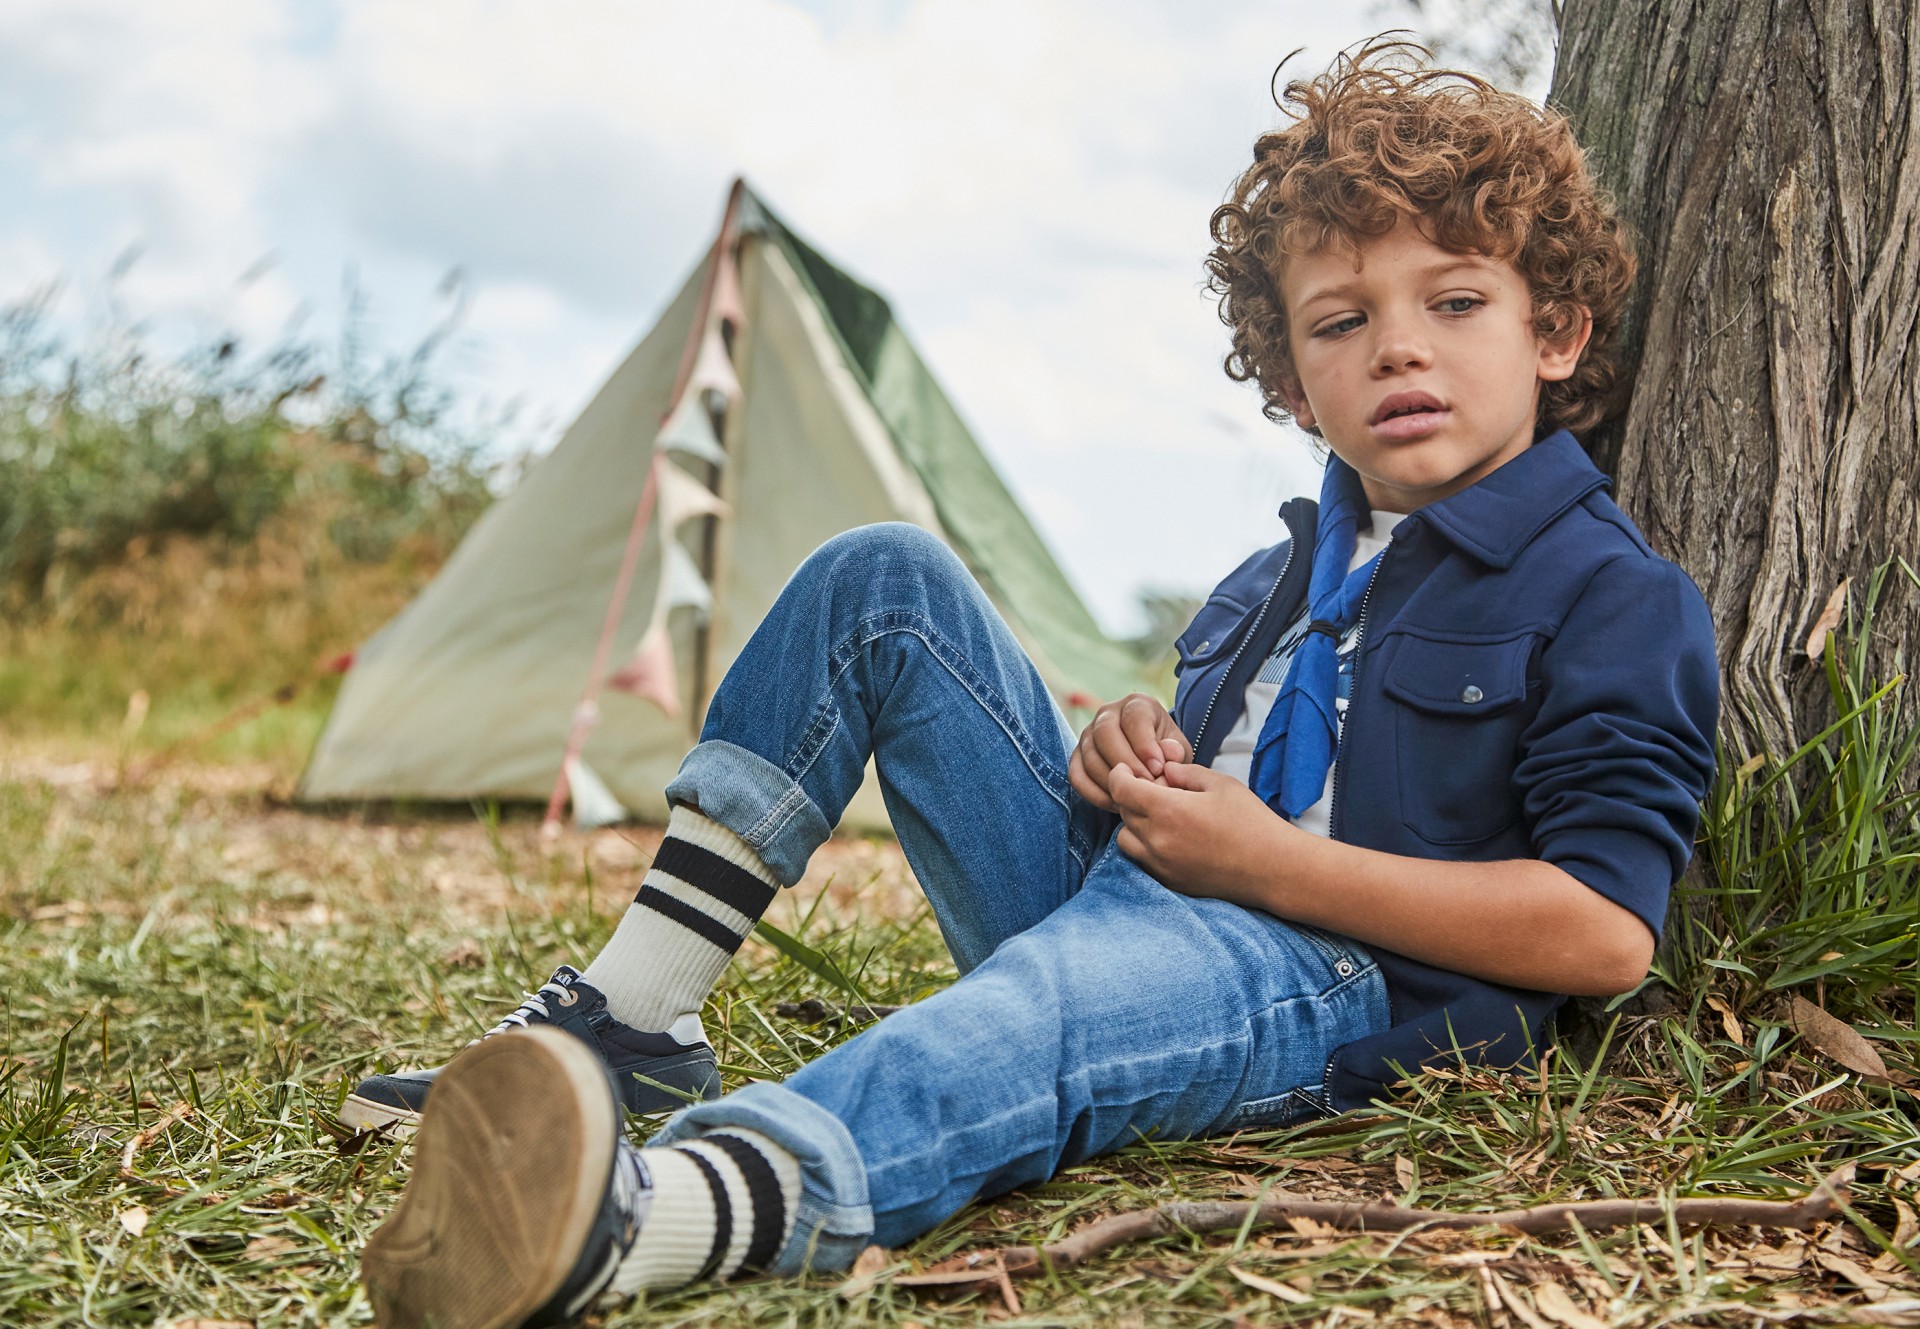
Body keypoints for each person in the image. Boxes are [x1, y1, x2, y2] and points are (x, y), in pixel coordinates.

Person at [357, 40, 1719, 1329]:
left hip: (1327, 972)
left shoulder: (1609, 594)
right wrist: (1127, 742)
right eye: (1342, 321)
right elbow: (1209, 769)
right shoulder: (1281, 569)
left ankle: (648, 1213)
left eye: (1457, 302)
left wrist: (1263, 866)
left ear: (1557, 334)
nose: (1400, 349)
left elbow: (1603, 932)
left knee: (1027, 1022)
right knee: (882, 575)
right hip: (1129, 890)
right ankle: (636, 1014)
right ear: (1298, 387)